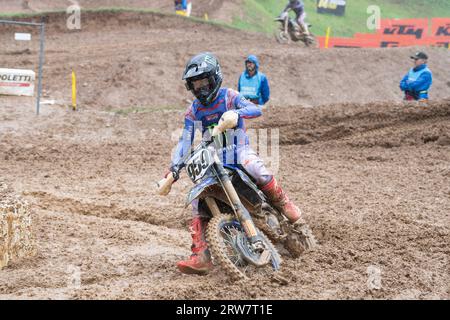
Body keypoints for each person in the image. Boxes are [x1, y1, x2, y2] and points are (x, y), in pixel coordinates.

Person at [167, 52, 309, 275]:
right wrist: (174, 168)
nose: (201, 88)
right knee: (197, 202)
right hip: (214, 158)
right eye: (196, 84)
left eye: (205, 81)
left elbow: (256, 109)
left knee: (256, 169)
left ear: (214, 78)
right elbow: (185, 139)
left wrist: (235, 112)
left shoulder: (228, 97)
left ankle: (283, 203)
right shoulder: (193, 110)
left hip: (238, 150)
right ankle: (201, 254)